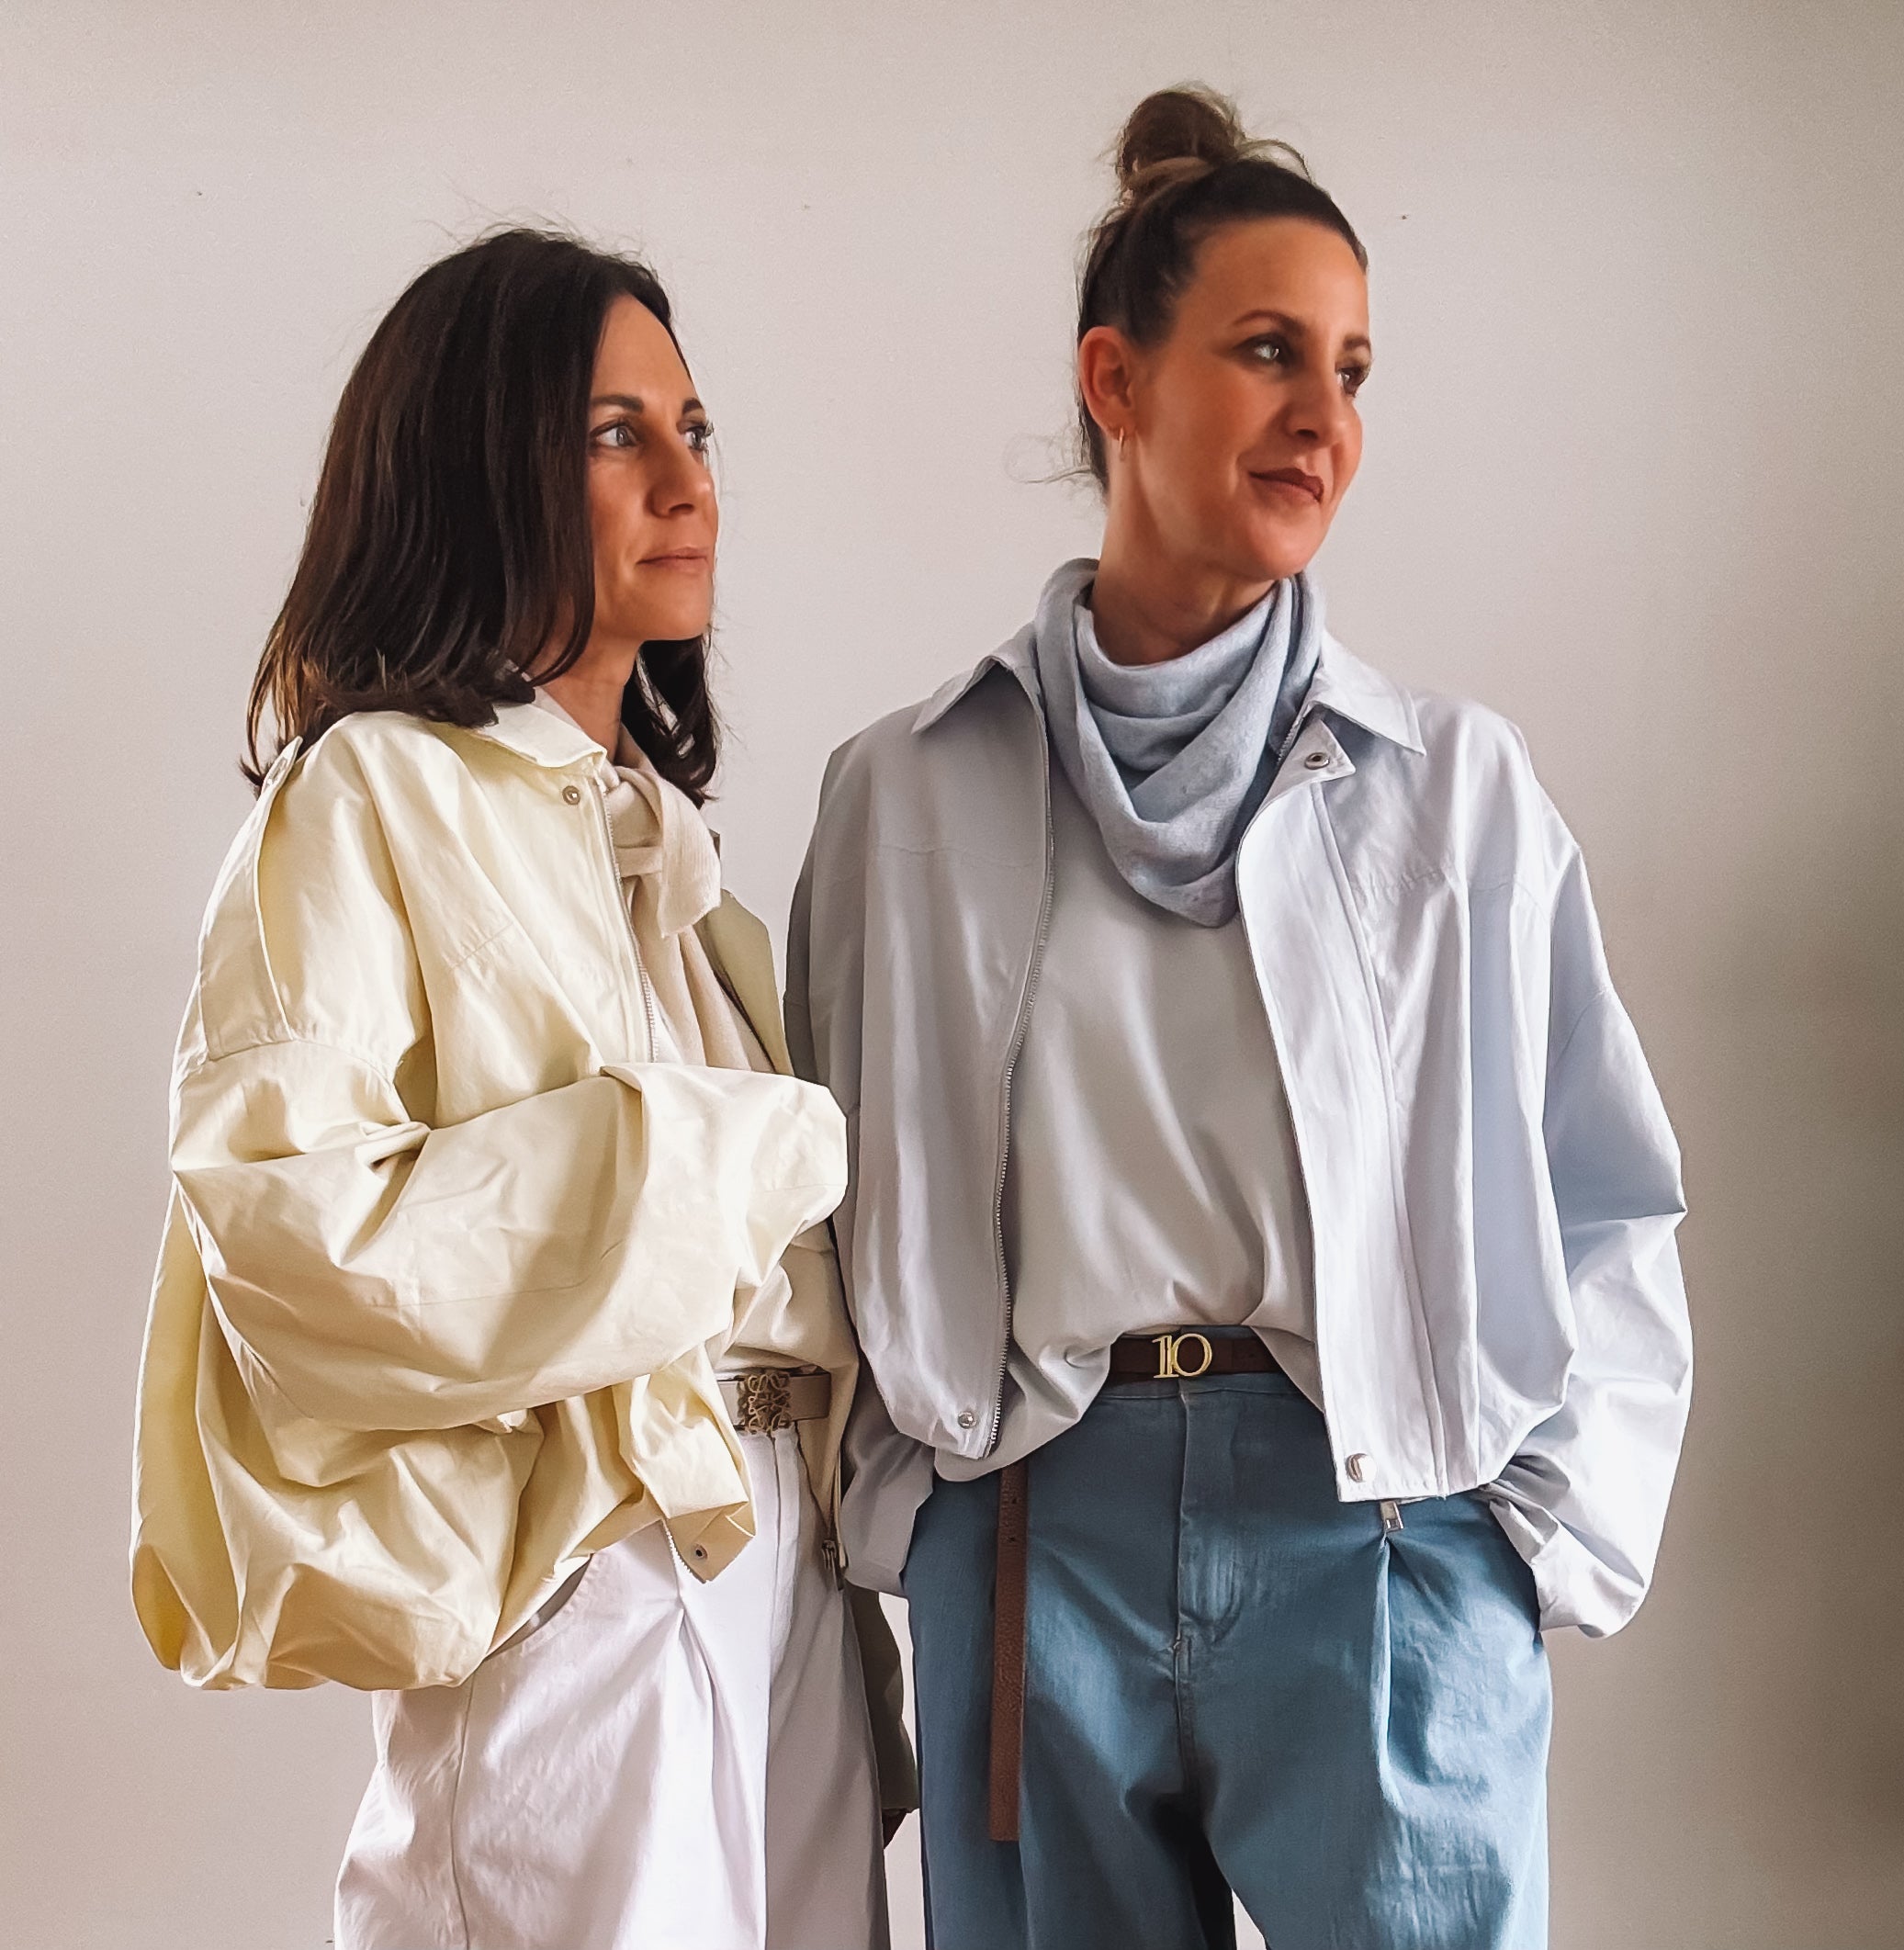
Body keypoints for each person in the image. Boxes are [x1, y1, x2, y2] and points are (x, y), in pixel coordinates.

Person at [788, 87, 1692, 1949]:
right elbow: (825, 1193)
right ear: (1114, 380)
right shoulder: (909, 793)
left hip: (1378, 1534)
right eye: (1269, 352)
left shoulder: (1455, 793)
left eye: (1351, 371)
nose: (1323, 419)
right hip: (1033, 1544)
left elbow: (1606, 1186)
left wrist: (1528, 1544)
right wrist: (915, 1513)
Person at [131, 227, 907, 1950]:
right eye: (616, 434)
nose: (685, 482)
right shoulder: (365, 799)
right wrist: (713, 1154)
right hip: (582, 1595)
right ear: (481, 464)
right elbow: (299, 1243)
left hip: (784, 1574)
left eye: (694, 430)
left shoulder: (685, 875)